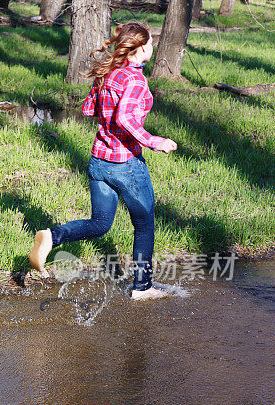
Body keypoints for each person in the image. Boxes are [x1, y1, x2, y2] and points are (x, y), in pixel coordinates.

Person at [29, 21, 178, 301]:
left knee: (99, 224)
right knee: (145, 224)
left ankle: (52, 236)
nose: (153, 48)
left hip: (99, 161)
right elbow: (124, 119)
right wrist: (155, 141)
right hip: (125, 165)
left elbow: (88, 109)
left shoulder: (110, 73)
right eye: (151, 43)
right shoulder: (135, 80)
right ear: (141, 47)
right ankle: (142, 288)